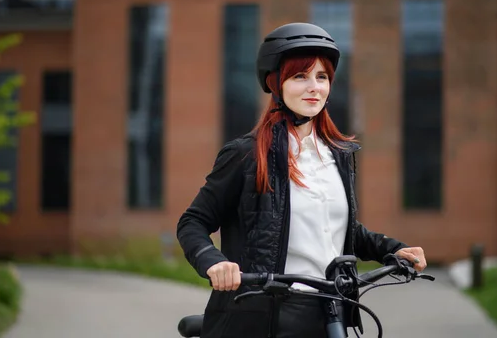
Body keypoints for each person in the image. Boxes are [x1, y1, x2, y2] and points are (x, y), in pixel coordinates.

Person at [177, 22, 427, 338]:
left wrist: (392, 249)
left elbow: (338, 231)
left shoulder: (338, 155)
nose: (314, 87)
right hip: (265, 315)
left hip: (331, 309)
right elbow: (193, 222)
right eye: (300, 76)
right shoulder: (246, 155)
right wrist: (213, 262)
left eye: (321, 77)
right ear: (275, 83)